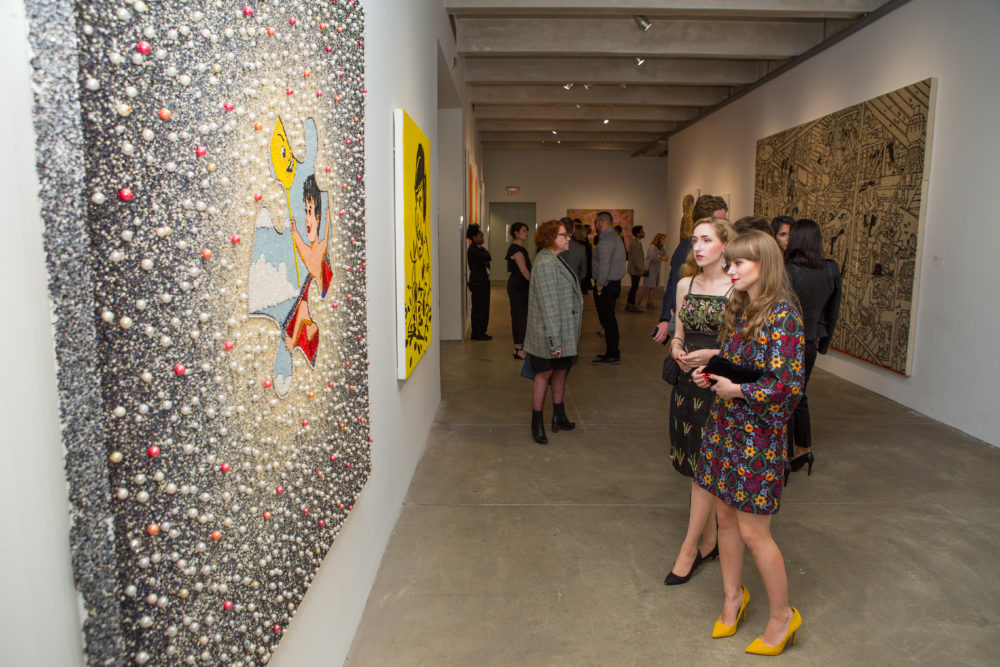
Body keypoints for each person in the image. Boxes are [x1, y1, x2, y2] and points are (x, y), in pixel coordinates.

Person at [691, 230, 806, 656]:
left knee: (756, 533)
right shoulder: (742, 308)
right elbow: (746, 365)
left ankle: (782, 617)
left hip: (756, 438)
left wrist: (737, 391)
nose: (731, 270)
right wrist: (712, 366)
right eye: (731, 263)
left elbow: (788, 387)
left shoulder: (784, 317)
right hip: (726, 430)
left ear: (766, 265)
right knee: (723, 519)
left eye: (740, 263)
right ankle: (733, 598)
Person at [661, 217, 737, 587]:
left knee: (705, 469)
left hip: (716, 385)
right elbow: (677, 333)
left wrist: (709, 355)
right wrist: (677, 349)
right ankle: (710, 541)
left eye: (707, 239)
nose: (699, 246)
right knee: (694, 463)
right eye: (695, 240)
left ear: (725, 245)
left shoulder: (737, 290)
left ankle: (689, 549)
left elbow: (742, 349)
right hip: (686, 385)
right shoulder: (684, 284)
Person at [783, 218, 842, 479]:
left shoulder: (787, 270)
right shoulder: (830, 269)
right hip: (809, 343)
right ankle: (804, 450)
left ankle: (783, 456)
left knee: (782, 397)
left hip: (786, 344)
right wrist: (824, 344)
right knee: (799, 395)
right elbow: (834, 310)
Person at [524, 220, 583, 444]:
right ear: (550, 238)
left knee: (560, 371)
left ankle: (559, 414)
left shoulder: (555, 259)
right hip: (550, 333)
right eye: (563, 235)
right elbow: (548, 305)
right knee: (544, 375)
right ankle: (536, 422)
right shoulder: (546, 263)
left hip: (562, 332)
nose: (568, 238)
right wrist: (554, 341)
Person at [658, 194, 729, 330]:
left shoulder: (727, 250)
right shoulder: (686, 248)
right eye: (720, 221)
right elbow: (674, 283)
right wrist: (667, 318)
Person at [591, 211, 627, 365]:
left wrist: (599, 285)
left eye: (596, 221)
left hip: (606, 285)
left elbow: (604, 265)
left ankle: (613, 354)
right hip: (613, 283)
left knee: (608, 321)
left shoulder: (606, 240)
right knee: (609, 320)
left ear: (602, 221)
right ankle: (611, 352)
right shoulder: (615, 238)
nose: (595, 224)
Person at [504, 222, 532, 359]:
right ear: (516, 233)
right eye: (524, 230)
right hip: (518, 287)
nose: (527, 233)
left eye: (527, 230)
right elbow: (524, 271)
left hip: (521, 286)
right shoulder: (515, 249)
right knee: (519, 317)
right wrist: (534, 284)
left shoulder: (520, 248)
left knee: (523, 316)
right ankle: (518, 348)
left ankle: (520, 347)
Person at [467, 224, 492, 340]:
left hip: (482, 281)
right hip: (478, 283)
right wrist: (484, 252)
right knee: (479, 308)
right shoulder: (473, 250)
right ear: (474, 237)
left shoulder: (478, 249)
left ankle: (481, 330)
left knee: (483, 307)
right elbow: (488, 257)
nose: (482, 238)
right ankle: (477, 332)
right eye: (480, 236)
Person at [636, 233, 668, 309]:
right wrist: (660, 257)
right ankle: (638, 301)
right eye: (662, 239)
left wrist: (661, 257)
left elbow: (666, 256)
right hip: (650, 269)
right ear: (658, 239)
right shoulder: (652, 247)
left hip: (656, 269)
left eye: (664, 239)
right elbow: (652, 257)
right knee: (645, 286)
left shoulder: (661, 248)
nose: (664, 241)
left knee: (653, 287)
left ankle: (649, 303)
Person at [625, 225, 646, 312]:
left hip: (634, 269)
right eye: (641, 232)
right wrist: (639, 269)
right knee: (634, 287)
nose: (643, 233)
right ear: (637, 234)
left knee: (634, 287)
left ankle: (629, 304)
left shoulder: (635, 242)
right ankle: (632, 305)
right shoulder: (636, 243)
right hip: (635, 270)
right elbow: (636, 258)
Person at [572, 224, 593, 294]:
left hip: (576, 273)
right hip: (584, 273)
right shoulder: (586, 245)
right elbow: (589, 260)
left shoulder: (574, 245)